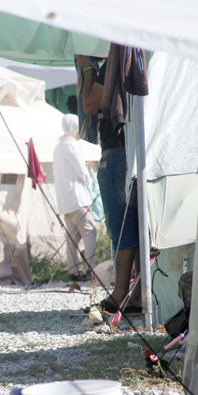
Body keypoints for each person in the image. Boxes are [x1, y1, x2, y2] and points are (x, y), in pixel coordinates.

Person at [76, 49, 147, 314]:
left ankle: (121, 292)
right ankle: (139, 294)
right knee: (138, 223)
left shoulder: (114, 64)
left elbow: (89, 104)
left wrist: (87, 69)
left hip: (117, 149)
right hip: (132, 148)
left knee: (121, 221)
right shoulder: (136, 61)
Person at [53, 114, 98, 284]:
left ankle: (73, 272)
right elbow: (82, 172)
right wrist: (89, 176)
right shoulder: (71, 146)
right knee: (90, 232)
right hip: (78, 199)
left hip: (65, 202)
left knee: (73, 237)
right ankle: (91, 270)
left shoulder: (58, 147)